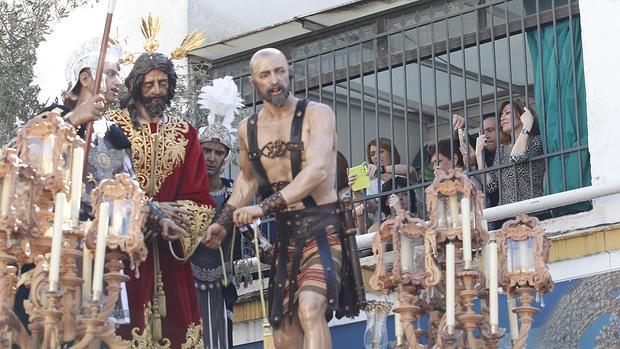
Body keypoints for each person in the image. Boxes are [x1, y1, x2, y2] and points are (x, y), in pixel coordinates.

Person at [204, 48, 362, 349]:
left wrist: (262, 207)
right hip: (286, 237)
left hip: (324, 228)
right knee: (284, 335)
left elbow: (316, 171)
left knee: (310, 308)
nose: (274, 80)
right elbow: (248, 179)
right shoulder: (247, 129)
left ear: (289, 72)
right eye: (265, 74)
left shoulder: (317, 114)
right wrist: (224, 221)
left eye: (279, 71)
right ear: (254, 82)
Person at [106, 51, 215, 347]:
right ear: (136, 85)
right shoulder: (113, 128)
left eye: (162, 84)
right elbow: (106, 185)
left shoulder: (185, 133)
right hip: (128, 251)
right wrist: (145, 214)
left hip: (170, 250)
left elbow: (200, 198)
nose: (156, 91)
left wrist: (168, 217)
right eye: (149, 84)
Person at [191, 76, 243, 348]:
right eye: (206, 150)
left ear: (226, 157)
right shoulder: (185, 192)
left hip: (223, 285)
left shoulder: (235, 191)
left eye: (218, 152)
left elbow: (248, 230)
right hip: (187, 284)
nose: (211, 157)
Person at [476, 100, 545, 205]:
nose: (502, 118)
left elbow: (516, 157)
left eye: (507, 113)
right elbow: (491, 186)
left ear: (522, 116)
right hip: (506, 213)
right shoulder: (501, 149)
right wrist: (478, 155)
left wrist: (526, 126)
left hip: (533, 208)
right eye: (501, 115)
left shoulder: (536, 141)